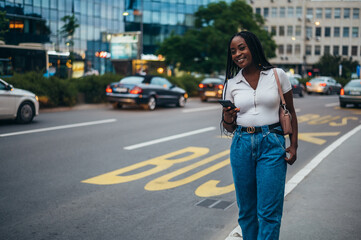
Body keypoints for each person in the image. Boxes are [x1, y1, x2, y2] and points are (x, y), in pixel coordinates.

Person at [222, 31, 298, 240]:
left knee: (269, 213)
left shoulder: (277, 75)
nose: (237, 54)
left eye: (242, 47)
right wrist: (228, 117)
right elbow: (228, 127)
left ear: (253, 47)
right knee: (247, 211)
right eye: (233, 51)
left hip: (271, 144)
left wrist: (294, 145)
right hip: (241, 144)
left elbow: (290, 111)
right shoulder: (231, 83)